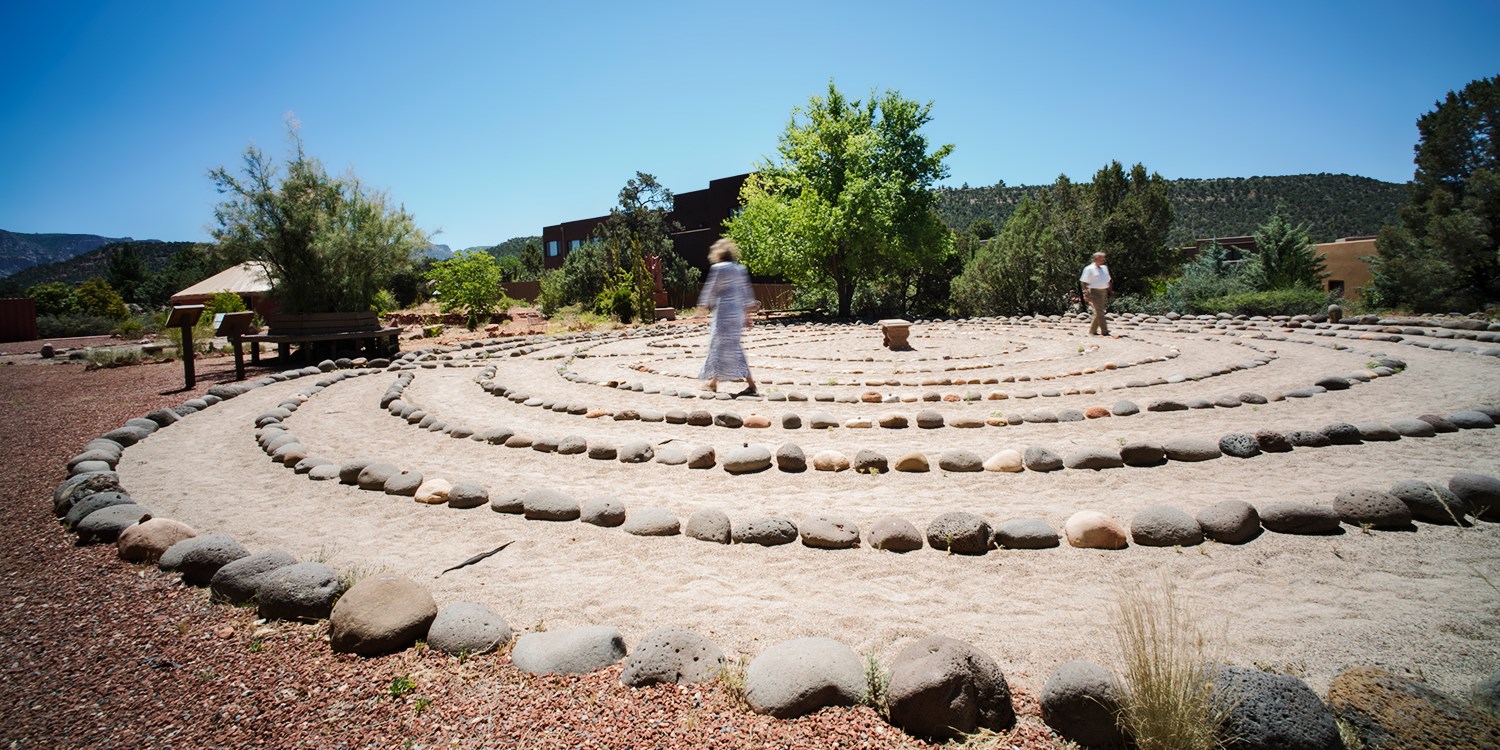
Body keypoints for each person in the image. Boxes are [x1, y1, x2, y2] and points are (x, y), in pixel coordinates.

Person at [698, 238, 759, 395]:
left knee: (718, 346)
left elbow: (710, 289)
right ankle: (715, 382)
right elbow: (746, 292)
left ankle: (748, 385)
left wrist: (702, 307)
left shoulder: (718, 268)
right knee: (732, 347)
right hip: (737, 314)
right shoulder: (740, 269)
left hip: (724, 313)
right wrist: (747, 315)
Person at [1080, 252, 1112, 336]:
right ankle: (1105, 331)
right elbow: (1084, 282)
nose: (1103, 260)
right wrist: (1086, 293)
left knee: (1099, 312)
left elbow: (1108, 281)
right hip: (1094, 292)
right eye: (1102, 258)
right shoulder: (1089, 268)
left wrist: (1111, 292)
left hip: (1103, 291)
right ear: (1096, 258)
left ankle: (1092, 331)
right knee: (1100, 311)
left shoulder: (1104, 268)